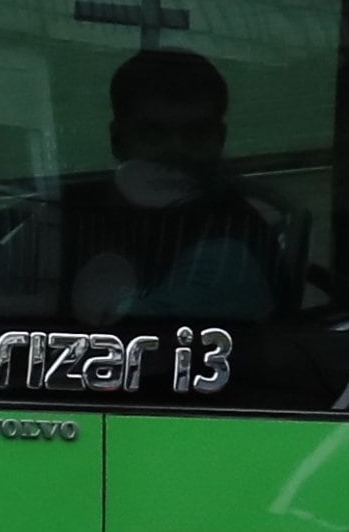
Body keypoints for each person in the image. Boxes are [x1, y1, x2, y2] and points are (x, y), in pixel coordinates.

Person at [58, 46, 299, 324]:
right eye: (153, 133)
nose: (176, 149)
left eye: (196, 133)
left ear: (219, 139)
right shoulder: (59, 216)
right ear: (117, 138)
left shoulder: (237, 239)